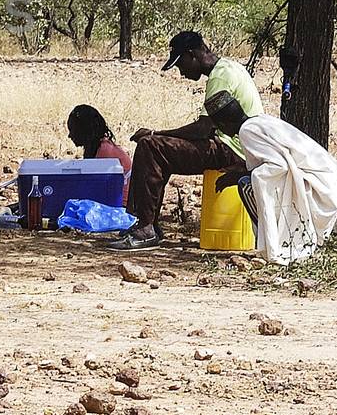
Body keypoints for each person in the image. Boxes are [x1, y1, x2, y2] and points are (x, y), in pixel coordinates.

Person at [111, 31, 263, 251]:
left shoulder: (220, 76)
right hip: (238, 146)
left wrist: (155, 133)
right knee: (158, 148)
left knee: (150, 146)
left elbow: (204, 128)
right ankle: (148, 224)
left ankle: (145, 228)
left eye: (180, 63)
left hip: (232, 149)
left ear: (192, 55)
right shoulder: (229, 68)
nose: (181, 72)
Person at [203, 92, 337, 264]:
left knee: (246, 185)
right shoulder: (260, 121)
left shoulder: (247, 131)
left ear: (223, 123)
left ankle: (273, 245)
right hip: (332, 184)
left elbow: (279, 166)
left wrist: (236, 176)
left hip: (320, 189)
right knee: (250, 181)